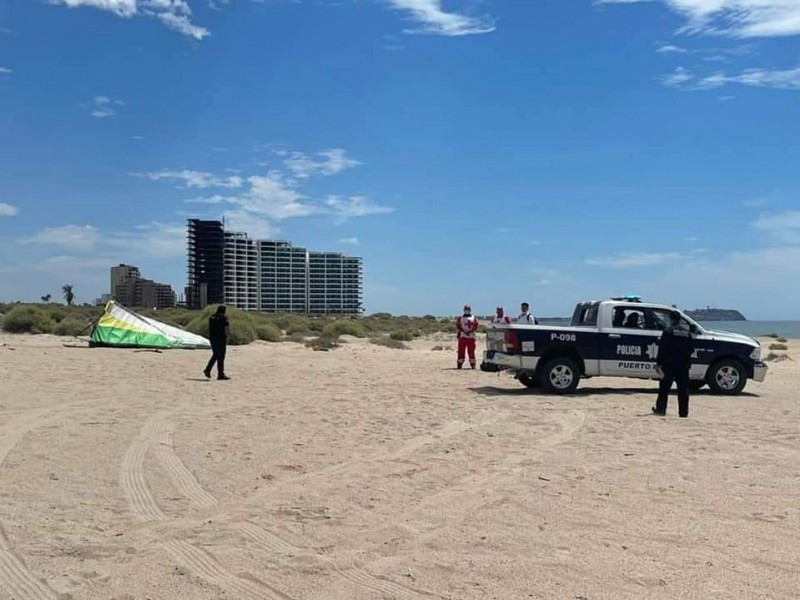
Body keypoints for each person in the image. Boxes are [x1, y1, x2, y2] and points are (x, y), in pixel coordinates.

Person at [652, 312, 695, 417]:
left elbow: (662, 349)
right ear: (680, 319)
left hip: (669, 364)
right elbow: (691, 349)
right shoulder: (686, 333)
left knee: (664, 388)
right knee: (683, 390)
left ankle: (661, 409)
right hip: (683, 365)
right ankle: (683, 413)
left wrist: (658, 363)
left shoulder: (667, 332)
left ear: (670, 319)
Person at [204, 305, 231, 380]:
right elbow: (227, 328)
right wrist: (228, 338)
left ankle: (209, 370)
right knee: (221, 356)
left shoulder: (211, 317)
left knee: (216, 355)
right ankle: (219, 374)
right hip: (221, 339)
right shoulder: (224, 318)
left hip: (212, 338)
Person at [455, 304, 479, 369]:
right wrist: (464, 331)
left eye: (468, 310)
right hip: (462, 337)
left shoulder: (474, 318)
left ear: (470, 310)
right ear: (463, 310)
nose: (467, 311)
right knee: (461, 351)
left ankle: (473, 364)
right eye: (466, 309)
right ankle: (459, 364)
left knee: (471, 351)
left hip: (471, 337)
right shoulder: (460, 318)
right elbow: (458, 325)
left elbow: (476, 325)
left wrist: (470, 331)